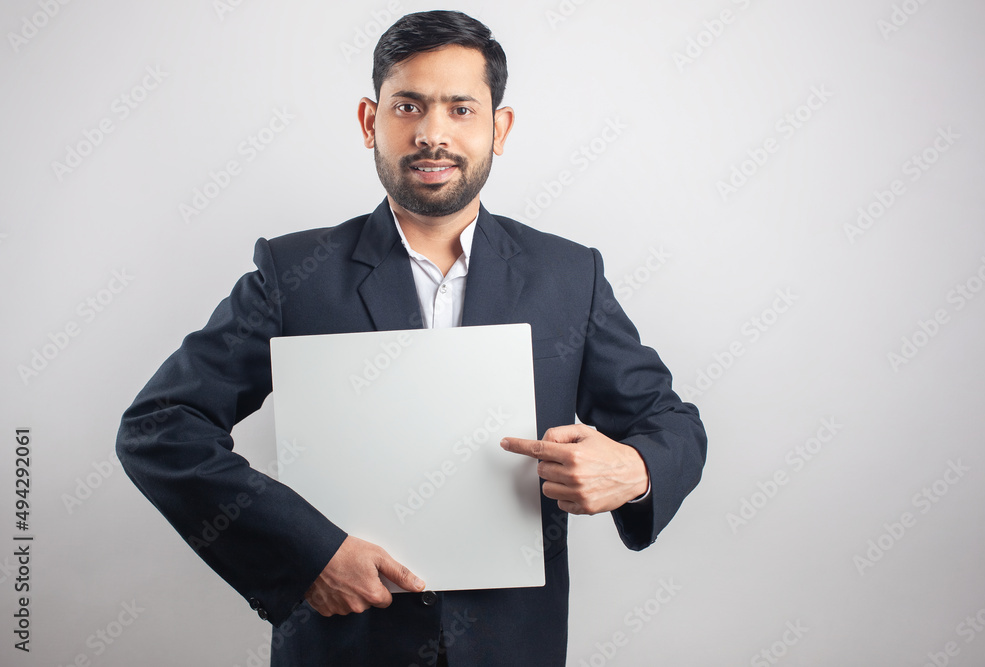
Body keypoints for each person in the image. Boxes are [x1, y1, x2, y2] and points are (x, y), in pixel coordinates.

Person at [116, 10, 706, 667]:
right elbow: (161, 425)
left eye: (460, 109)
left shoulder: (570, 277)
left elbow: (670, 421)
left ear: (498, 128)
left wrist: (637, 467)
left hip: (513, 649)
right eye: (409, 106)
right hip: (345, 646)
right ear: (371, 121)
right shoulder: (294, 276)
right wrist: (311, 553)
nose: (432, 133)